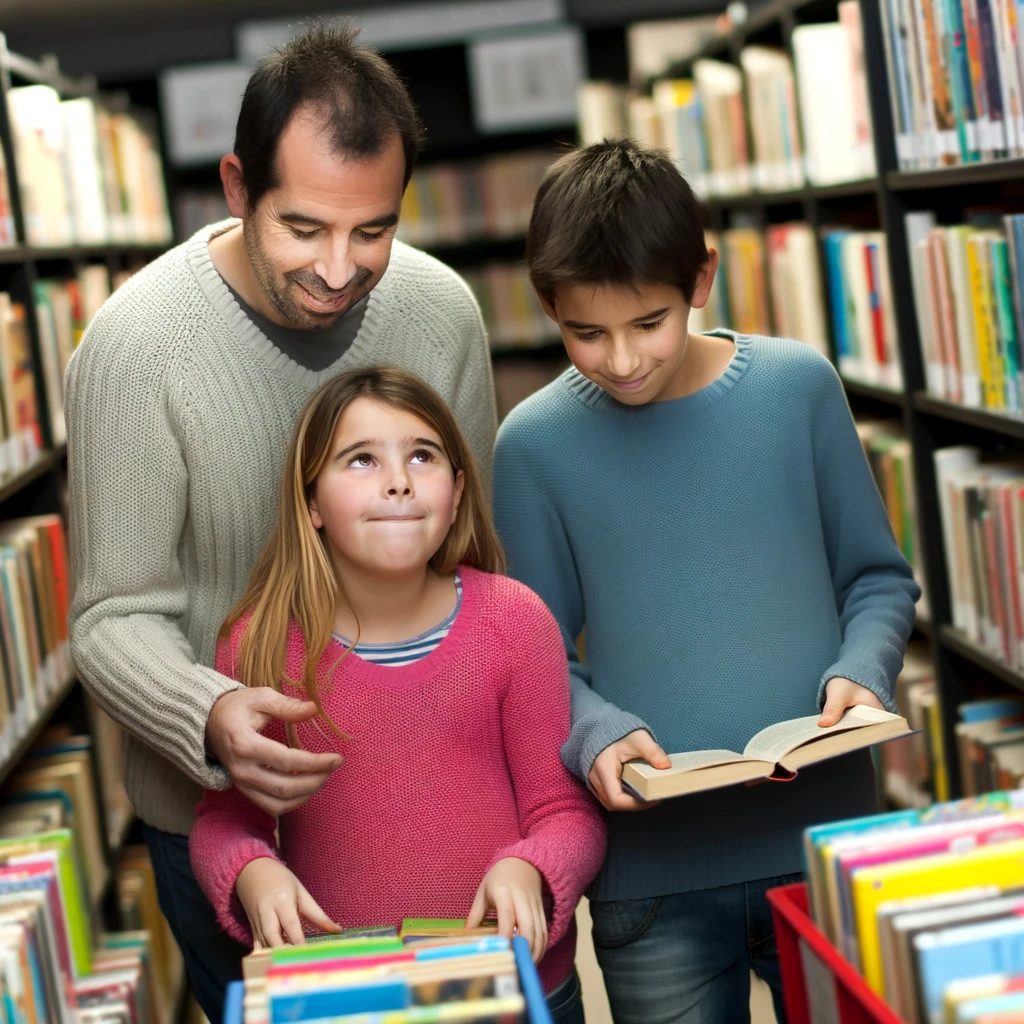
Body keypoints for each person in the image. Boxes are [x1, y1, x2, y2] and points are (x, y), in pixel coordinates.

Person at [65, 22, 497, 1023]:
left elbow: (475, 557)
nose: (341, 269)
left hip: (428, 798)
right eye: (303, 228)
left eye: (373, 230)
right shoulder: (135, 348)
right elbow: (110, 616)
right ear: (234, 187)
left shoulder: (442, 313)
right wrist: (211, 712)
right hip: (226, 828)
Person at [492, 139, 921, 1024]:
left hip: (828, 842)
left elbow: (877, 580)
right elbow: (532, 660)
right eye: (585, 332)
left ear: (701, 278)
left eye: (646, 322)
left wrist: (861, 672)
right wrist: (598, 729)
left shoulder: (798, 388)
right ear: (547, 306)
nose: (618, 359)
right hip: (653, 880)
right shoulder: (532, 447)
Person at [188, 367, 605, 1024]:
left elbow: (567, 814)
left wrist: (532, 866)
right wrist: (250, 870)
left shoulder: (516, 622)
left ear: (459, 488)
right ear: (312, 504)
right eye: (361, 459)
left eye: (422, 455)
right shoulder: (259, 644)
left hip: (513, 989)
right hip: (344, 995)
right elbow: (225, 822)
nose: (398, 480)